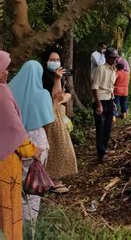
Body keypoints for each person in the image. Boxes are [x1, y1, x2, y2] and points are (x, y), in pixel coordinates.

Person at [0, 51, 42, 240]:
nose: (6, 73)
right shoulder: (2, 93)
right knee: (8, 210)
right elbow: (14, 129)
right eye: (3, 69)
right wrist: (32, 150)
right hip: (5, 163)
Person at [9, 60, 56, 222]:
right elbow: (49, 119)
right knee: (33, 184)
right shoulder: (42, 94)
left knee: (15, 184)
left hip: (14, 141)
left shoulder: (9, 92)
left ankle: (14, 222)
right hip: (37, 142)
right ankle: (30, 224)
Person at [42, 52, 78, 193]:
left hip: (59, 113)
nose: (55, 62)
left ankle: (54, 178)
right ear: (47, 61)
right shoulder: (44, 76)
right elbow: (55, 97)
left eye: (57, 59)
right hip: (50, 115)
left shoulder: (61, 74)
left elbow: (67, 93)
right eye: (52, 59)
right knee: (56, 146)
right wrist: (57, 81)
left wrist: (63, 98)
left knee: (61, 146)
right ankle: (52, 180)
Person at [92, 48, 118, 162]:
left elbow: (111, 87)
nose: (114, 59)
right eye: (112, 57)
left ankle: (104, 149)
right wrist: (98, 104)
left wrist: (112, 101)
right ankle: (101, 153)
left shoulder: (113, 70)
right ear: (107, 58)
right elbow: (94, 87)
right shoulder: (100, 68)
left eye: (115, 58)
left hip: (109, 99)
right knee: (100, 127)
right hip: (100, 99)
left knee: (108, 126)